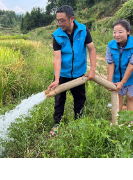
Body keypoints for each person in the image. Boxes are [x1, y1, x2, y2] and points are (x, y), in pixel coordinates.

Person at [48, 5, 96, 136]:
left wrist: (92, 69)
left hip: (79, 73)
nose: (59, 23)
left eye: (62, 20)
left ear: (71, 19)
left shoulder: (83, 30)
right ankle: (57, 123)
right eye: (58, 20)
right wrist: (57, 79)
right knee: (59, 100)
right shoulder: (57, 35)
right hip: (62, 74)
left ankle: (78, 121)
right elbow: (57, 58)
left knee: (80, 99)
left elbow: (92, 49)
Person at [106, 19, 133, 112]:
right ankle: (116, 121)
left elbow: (131, 65)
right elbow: (110, 63)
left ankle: (129, 122)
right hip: (117, 74)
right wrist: (109, 81)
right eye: (114, 32)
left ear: (128, 31)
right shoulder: (110, 45)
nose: (116, 35)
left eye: (120, 32)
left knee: (130, 96)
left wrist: (122, 83)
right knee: (118, 95)